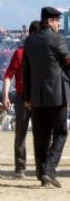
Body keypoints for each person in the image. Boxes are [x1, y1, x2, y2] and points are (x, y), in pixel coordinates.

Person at [23, 7, 70, 188]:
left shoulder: (30, 41)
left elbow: (25, 72)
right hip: (57, 95)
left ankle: (42, 174)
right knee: (60, 133)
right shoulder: (57, 40)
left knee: (41, 136)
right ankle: (49, 170)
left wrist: (27, 96)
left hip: (37, 97)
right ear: (49, 21)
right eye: (57, 20)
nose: (58, 24)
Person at [2, 20, 40, 178]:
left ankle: (42, 168)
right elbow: (8, 75)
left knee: (41, 134)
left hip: (39, 99)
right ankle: (20, 168)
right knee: (20, 133)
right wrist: (5, 95)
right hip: (21, 98)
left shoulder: (43, 56)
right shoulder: (19, 53)